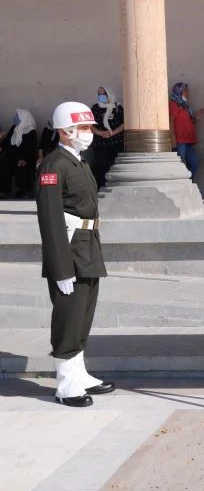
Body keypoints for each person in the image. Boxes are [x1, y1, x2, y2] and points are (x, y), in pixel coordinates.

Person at [36, 101, 115, 408]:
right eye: (82, 128)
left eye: (88, 127)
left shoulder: (78, 162)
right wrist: (60, 268)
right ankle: (67, 384)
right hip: (69, 249)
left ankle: (79, 374)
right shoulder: (53, 166)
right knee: (69, 317)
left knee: (83, 314)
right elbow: (51, 219)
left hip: (87, 244)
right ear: (65, 131)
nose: (88, 133)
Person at [86, 86, 125, 189]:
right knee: (102, 166)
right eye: (99, 95)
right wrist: (100, 133)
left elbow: (124, 124)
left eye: (103, 94)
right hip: (100, 143)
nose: (101, 97)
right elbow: (90, 124)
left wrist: (113, 132)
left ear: (109, 94)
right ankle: (102, 187)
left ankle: (116, 188)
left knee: (115, 166)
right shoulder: (95, 108)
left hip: (116, 142)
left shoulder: (118, 108)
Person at [169, 82, 204, 180]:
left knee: (194, 162)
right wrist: (173, 137)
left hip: (188, 140)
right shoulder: (173, 104)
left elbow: (189, 121)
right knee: (181, 164)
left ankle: (188, 184)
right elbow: (170, 120)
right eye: (186, 91)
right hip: (179, 140)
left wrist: (196, 118)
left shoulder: (185, 106)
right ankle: (182, 187)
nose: (188, 93)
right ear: (179, 92)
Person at [0, 109, 38, 198]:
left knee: (21, 166)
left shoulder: (31, 131)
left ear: (23, 117)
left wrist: (23, 158)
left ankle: (23, 191)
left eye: (17, 115)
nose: (15, 117)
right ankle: (3, 191)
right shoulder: (14, 128)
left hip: (25, 157)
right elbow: (7, 142)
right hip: (11, 155)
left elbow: (30, 148)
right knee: (3, 164)